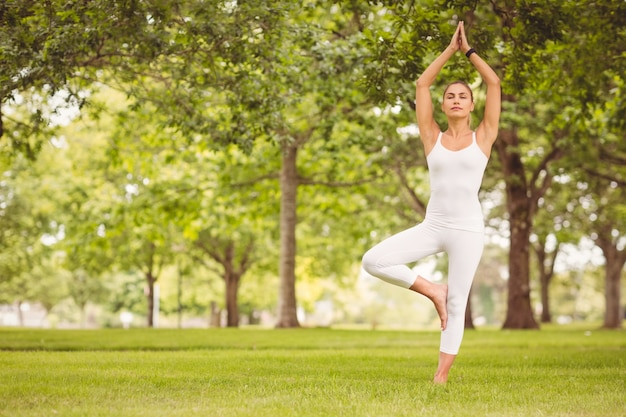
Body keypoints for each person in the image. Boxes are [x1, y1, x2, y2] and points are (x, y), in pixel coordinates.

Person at [361, 21, 501, 384]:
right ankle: (432, 290)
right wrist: (448, 50)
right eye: (450, 96)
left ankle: (440, 376)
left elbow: (494, 83)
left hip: (468, 230)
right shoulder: (431, 137)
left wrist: (468, 51)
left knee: (458, 304)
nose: (456, 100)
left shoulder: (484, 136)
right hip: (434, 225)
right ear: (443, 104)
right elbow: (422, 83)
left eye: (462, 96)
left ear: (472, 106)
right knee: (373, 260)